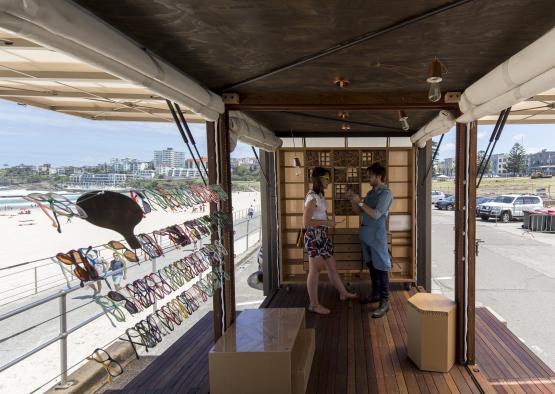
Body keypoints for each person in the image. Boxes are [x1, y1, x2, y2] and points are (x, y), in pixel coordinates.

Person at [303, 167, 358, 315]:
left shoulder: (320, 195)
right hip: (314, 236)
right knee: (315, 270)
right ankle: (313, 305)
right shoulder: (312, 197)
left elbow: (319, 216)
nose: (329, 181)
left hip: (322, 235)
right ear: (319, 179)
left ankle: (343, 292)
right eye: (326, 178)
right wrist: (327, 223)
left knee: (332, 266)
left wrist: (328, 222)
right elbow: (306, 222)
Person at [348, 162, 393, 318]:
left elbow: (375, 214)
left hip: (377, 236)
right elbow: (358, 211)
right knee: (372, 266)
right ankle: (375, 293)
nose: (368, 178)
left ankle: (385, 301)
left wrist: (360, 201)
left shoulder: (386, 194)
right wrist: (353, 200)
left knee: (381, 268)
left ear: (378, 177)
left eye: (370, 176)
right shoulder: (371, 193)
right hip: (366, 235)